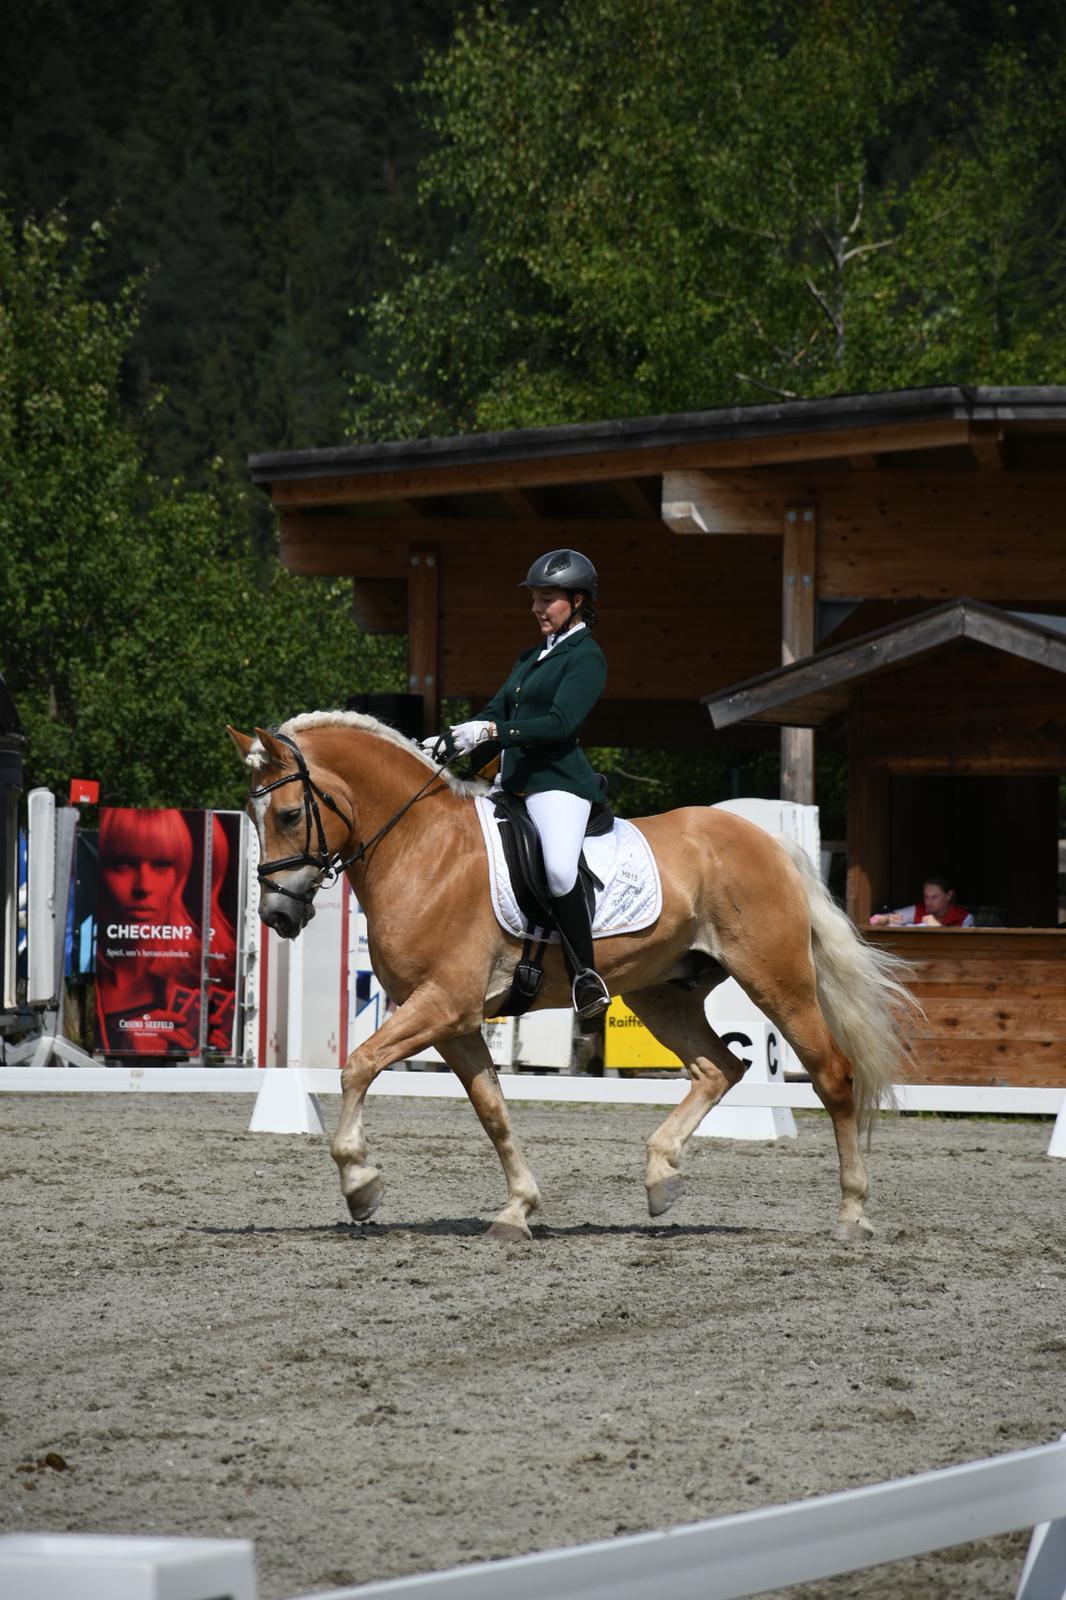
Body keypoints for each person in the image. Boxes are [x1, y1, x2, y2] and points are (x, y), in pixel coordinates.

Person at [426, 548, 611, 1022]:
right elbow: (497, 712)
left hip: (557, 786)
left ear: (577, 600)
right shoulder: (530, 657)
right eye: (534, 599)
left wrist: (492, 733)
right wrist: (455, 737)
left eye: (546, 599)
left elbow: (559, 723)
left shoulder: (586, 657)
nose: (536, 609)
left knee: (558, 871)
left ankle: (586, 975)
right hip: (511, 784)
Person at [95, 807, 203, 1054]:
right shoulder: (82, 973)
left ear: (181, 874)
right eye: (123, 864)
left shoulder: (198, 974)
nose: (143, 886)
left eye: (161, 864)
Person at [868, 875, 974, 928]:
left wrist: (937, 927)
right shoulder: (918, 909)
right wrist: (885, 919)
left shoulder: (964, 918)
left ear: (949, 895)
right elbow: (874, 919)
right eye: (926, 896)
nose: (929, 902)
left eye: (935, 897)